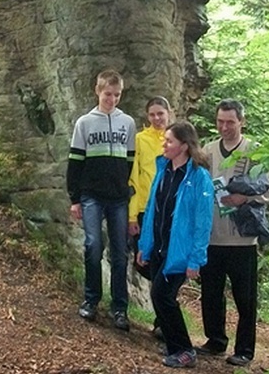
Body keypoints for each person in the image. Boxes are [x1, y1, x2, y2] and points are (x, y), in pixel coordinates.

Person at [197, 99, 269, 367]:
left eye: (230, 122)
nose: (224, 127)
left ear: (241, 121)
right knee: (211, 292)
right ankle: (215, 340)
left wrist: (245, 199)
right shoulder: (208, 150)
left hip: (243, 238)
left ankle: (244, 349)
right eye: (220, 121)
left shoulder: (255, 150)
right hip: (212, 236)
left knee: (245, 297)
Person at [137, 121, 214, 369]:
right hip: (159, 247)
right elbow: (152, 211)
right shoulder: (163, 169)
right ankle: (175, 346)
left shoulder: (199, 177)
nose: (164, 144)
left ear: (184, 145)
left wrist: (195, 260)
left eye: (169, 140)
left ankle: (184, 350)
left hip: (179, 252)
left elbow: (203, 223)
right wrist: (144, 245)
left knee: (161, 295)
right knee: (160, 296)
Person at [67, 69, 136, 331]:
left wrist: (123, 185)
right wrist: (75, 198)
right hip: (91, 195)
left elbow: (130, 160)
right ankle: (91, 300)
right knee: (93, 245)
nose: (112, 99)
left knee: (120, 252)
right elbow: (75, 162)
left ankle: (120, 308)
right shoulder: (84, 123)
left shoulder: (127, 123)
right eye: (108, 94)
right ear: (98, 91)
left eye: (117, 95)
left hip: (118, 197)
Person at [128, 96, 171, 339]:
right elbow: (133, 178)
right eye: (152, 114)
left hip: (170, 212)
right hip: (145, 210)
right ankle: (163, 314)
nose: (157, 118)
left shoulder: (176, 138)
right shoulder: (140, 140)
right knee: (144, 262)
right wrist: (132, 216)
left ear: (168, 113)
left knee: (166, 264)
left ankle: (162, 320)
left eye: (160, 114)